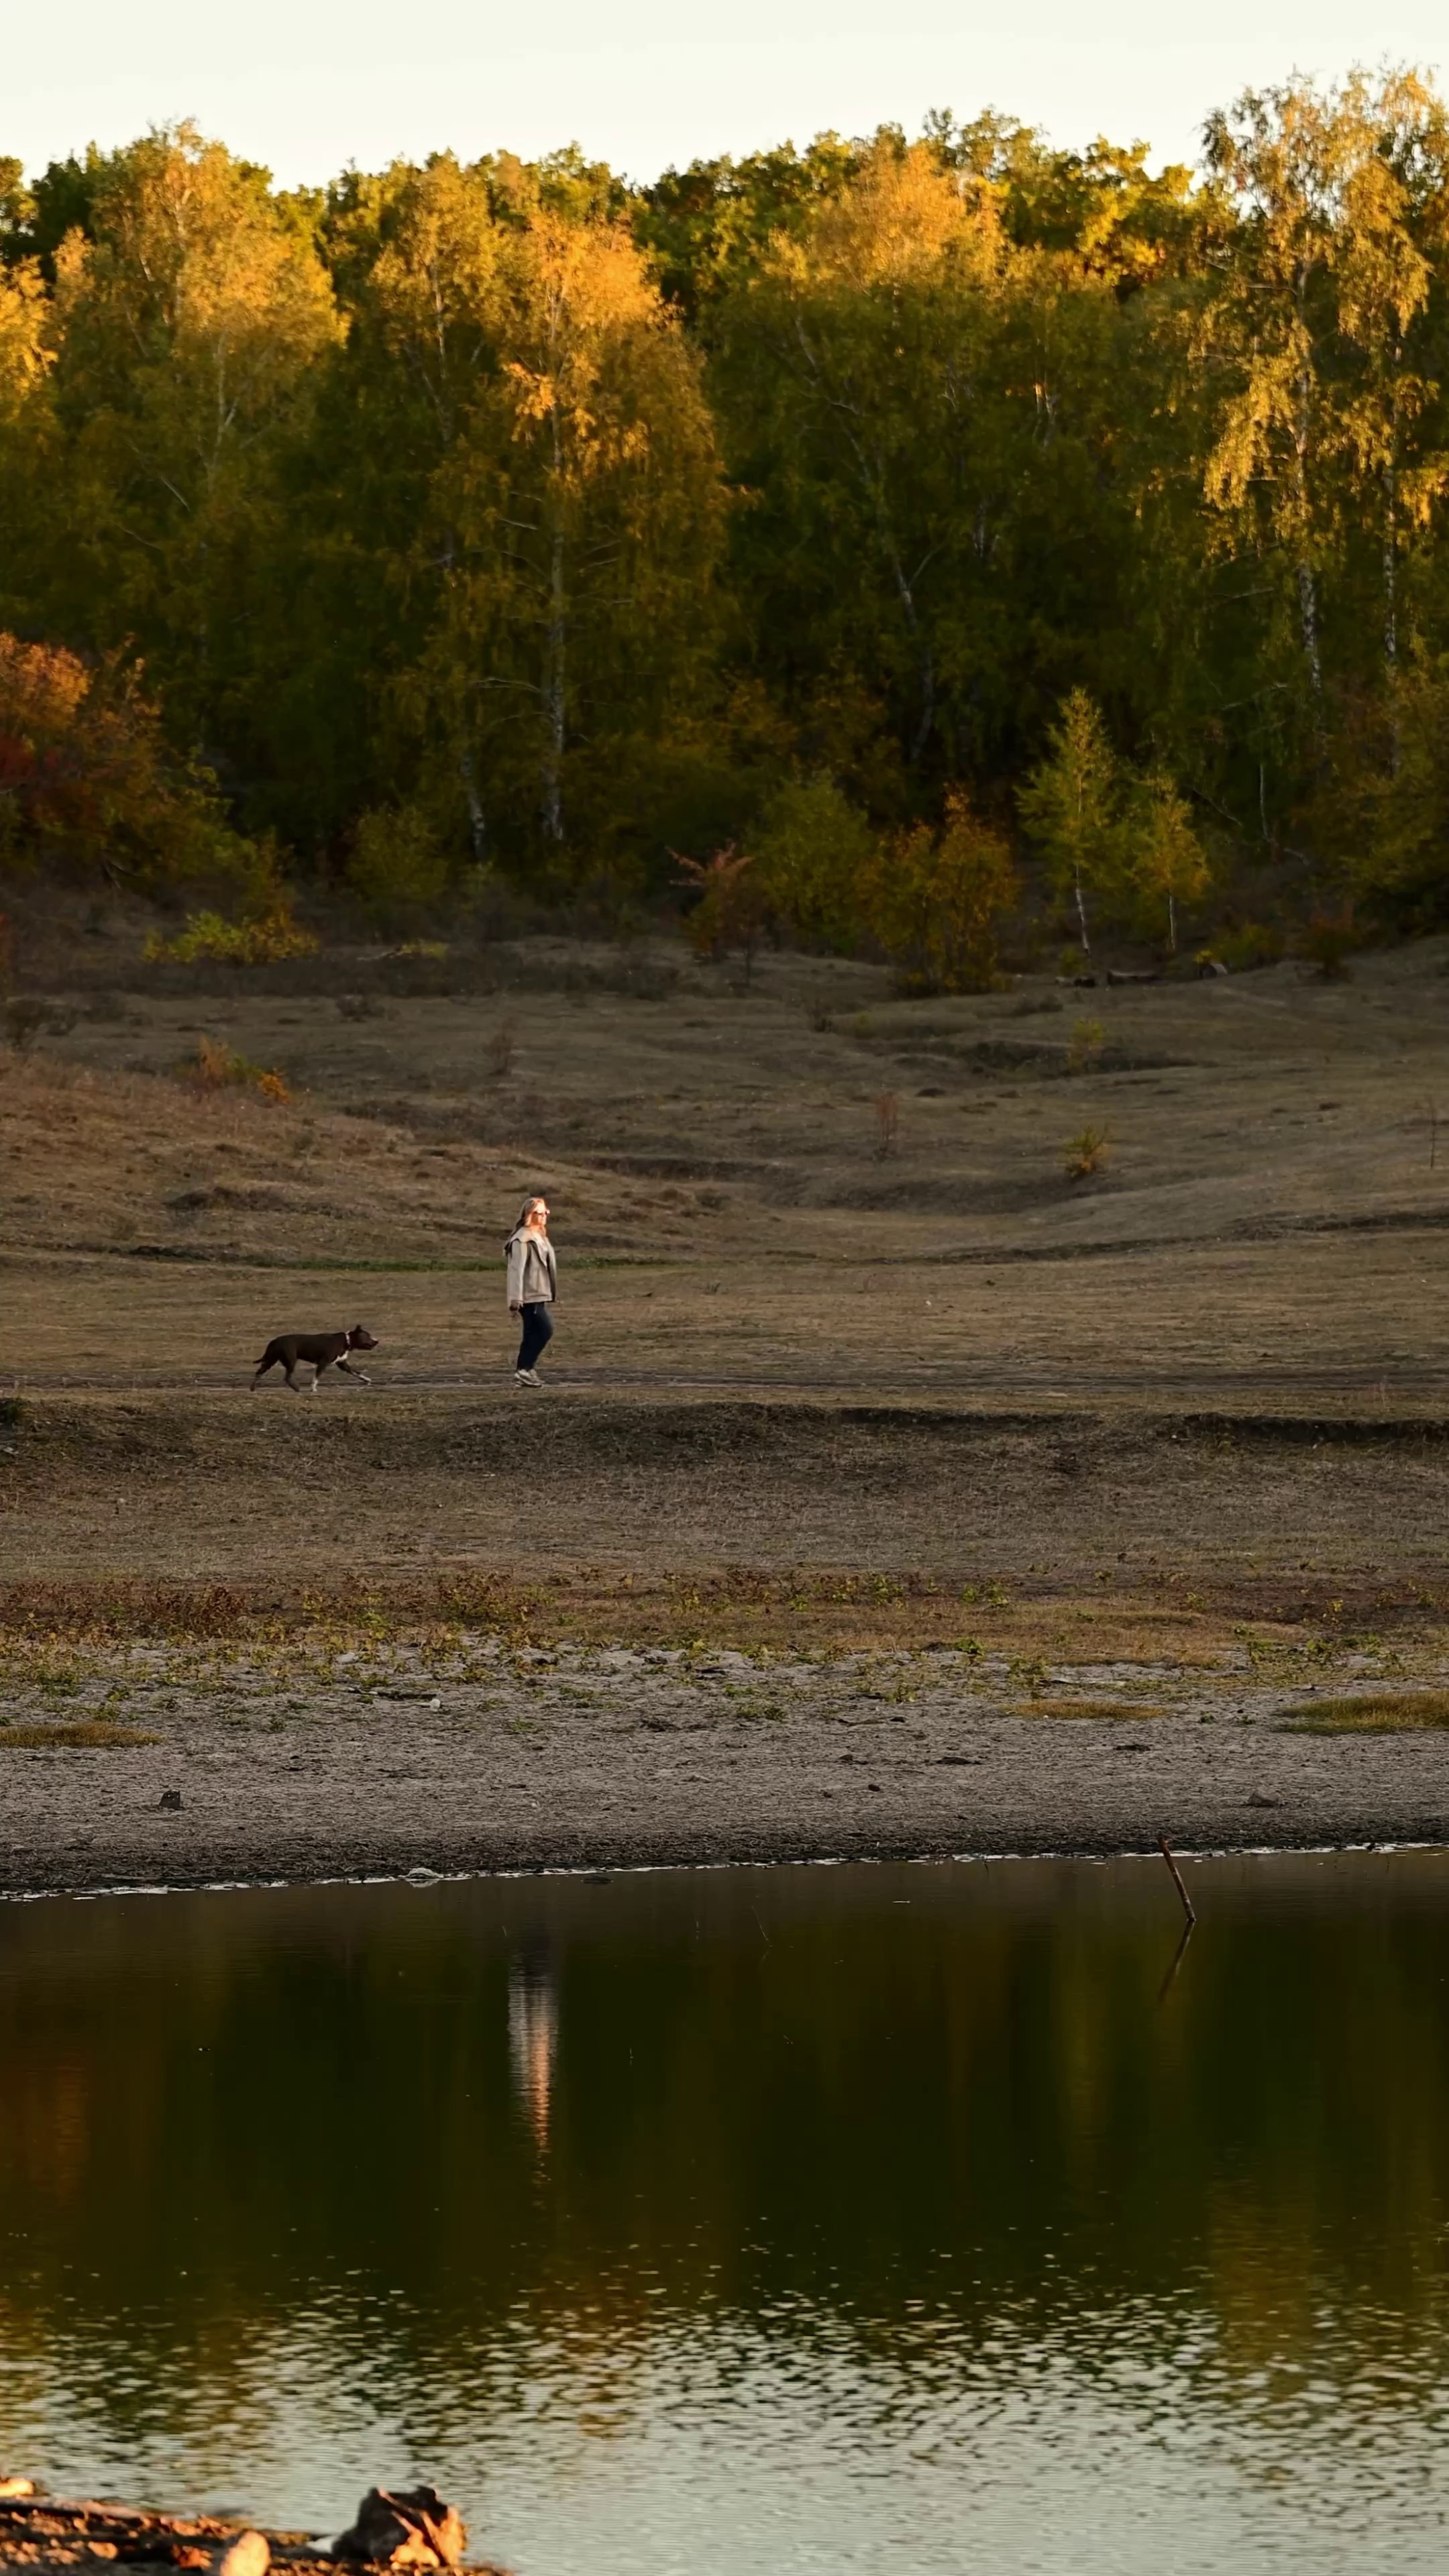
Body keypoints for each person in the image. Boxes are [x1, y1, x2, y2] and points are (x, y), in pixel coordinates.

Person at [505, 1195, 557, 1387]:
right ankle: (525, 1369)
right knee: (545, 1330)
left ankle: (525, 1371)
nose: (543, 1216)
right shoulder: (522, 1239)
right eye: (539, 1212)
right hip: (528, 1296)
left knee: (531, 1333)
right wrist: (516, 1297)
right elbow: (516, 1270)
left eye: (545, 1212)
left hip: (540, 1292)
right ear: (529, 1214)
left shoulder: (540, 1236)